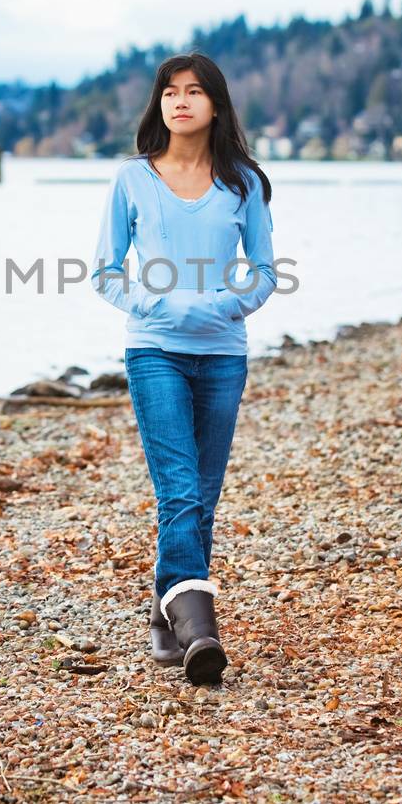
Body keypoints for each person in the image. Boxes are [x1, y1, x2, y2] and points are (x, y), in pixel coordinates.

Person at [89, 49, 278, 685]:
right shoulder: (131, 179)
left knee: (202, 494)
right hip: (154, 350)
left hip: (224, 354)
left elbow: (267, 271)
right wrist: (157, 302)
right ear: (159, 104)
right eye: (170, 91)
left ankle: (165, 613)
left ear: (215, 105)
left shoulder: (243, 183)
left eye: (194, 91)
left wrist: (228, 305)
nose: (180, 101)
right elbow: (106, 272)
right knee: (178, 490)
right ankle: (201, 631)